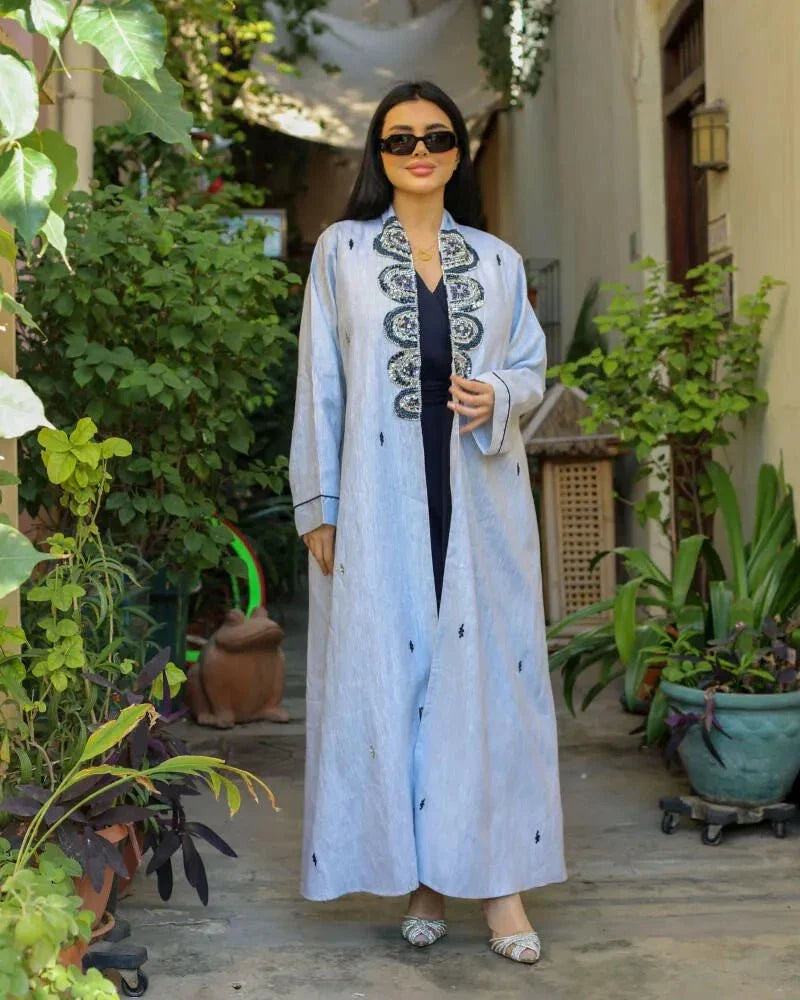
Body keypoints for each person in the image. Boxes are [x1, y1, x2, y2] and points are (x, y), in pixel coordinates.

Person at [289, 80, 566, 965]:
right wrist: (320, 507)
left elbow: (530, 365)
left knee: (484, 689)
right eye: (401, 136)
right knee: (394, 681)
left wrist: (502, 393)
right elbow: (320, 385)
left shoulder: (496, 261)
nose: (420, 149)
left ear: (458, 153)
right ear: (378, 152)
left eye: (437, 136)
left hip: (480, 504)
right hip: (381, 506)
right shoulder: (340, 253)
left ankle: (500, 889)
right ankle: (421, 877)